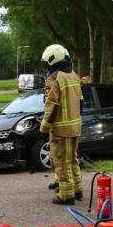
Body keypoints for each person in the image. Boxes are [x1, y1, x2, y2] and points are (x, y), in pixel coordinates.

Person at [38, 44, 83, 205]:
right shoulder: (74, 76)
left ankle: (66, 195)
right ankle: (77, 190)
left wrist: (44, 127)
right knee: (72, 159)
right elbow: (81, 102)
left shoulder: (54, 78)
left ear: (53, 60)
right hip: (75, 126)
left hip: (60, 129)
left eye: (47, 62)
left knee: (61, 161)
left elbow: (52, 105)